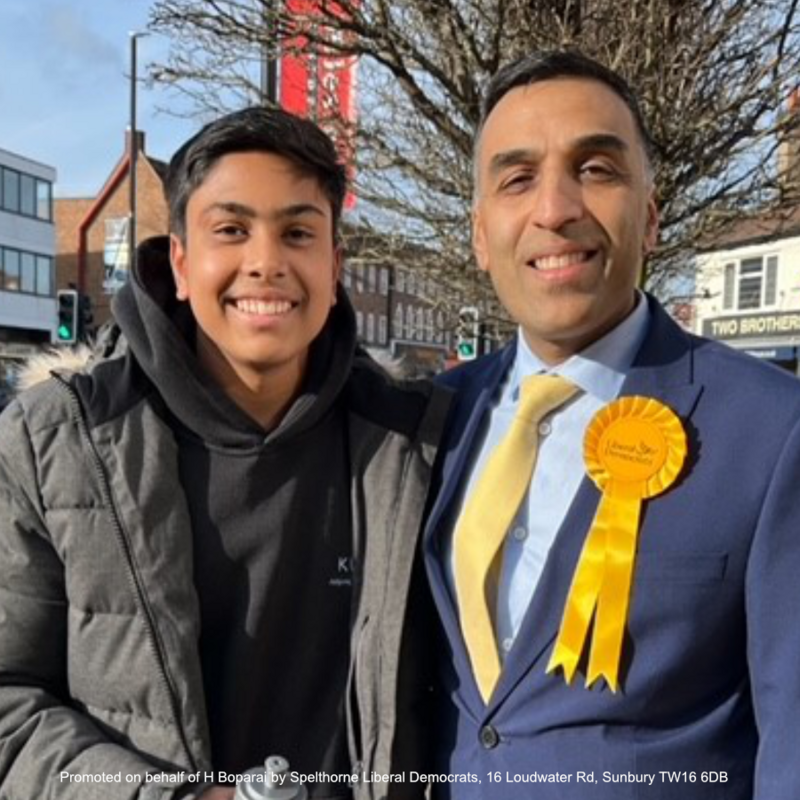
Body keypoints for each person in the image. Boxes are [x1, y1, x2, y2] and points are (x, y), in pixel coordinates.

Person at [0, 107, 450, 800]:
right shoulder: (53, 441)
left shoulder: (416, 445)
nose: (266, 263)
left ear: (334, 267)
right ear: (179, 262)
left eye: (298, 232)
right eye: (232, 230)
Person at [423, 50, 800, 799]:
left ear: (651, 217)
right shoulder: (434, 419)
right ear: (478, 233)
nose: (555, 208)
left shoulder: (774, 432)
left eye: (595, 169)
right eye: (518, 177)